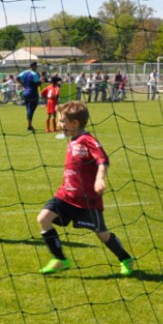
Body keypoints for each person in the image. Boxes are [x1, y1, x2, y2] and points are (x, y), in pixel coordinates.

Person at [37, 101, 136, 276]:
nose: (59, 124)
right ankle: (60, 259)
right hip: (65, 195)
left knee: (102, 234)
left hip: (87, 200)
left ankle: (125, 258)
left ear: (75, 123)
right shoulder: (73, 140)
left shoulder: (88, 141)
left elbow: (102, 160)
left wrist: (99, 179)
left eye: (62, 121)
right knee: (43, 219)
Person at [18, 62, 42, 131]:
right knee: (30, 110)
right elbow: (38, 84)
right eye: (36, 66)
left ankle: (29, 124)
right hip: (32, 93)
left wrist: (23, 85)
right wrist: (41, 81)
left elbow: (17, 78)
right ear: (32, 66)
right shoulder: (35, 74)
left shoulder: (24, 72)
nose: (36, 67)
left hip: (25, 93)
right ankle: (29, 126)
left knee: (28, 109)